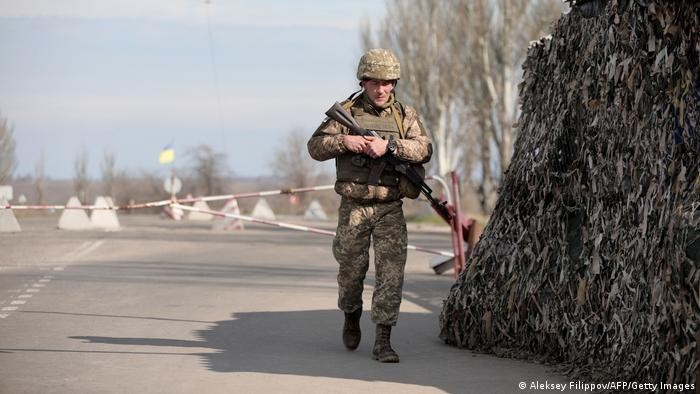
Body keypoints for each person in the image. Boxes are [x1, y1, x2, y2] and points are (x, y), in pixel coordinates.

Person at [307, 48, 432, 363]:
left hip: (390, 206)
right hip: (354, 207)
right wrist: (344, 142)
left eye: (388, 82)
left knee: (391, 274)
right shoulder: (346, 114)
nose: (381, 89)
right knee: (351, 272)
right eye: (375, 82)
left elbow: (424, 149)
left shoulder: (405, 116)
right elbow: (315, 147)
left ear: (395, 83)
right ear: (363, 82)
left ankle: (384, 341)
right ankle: (351, 314)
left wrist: (388, 145)